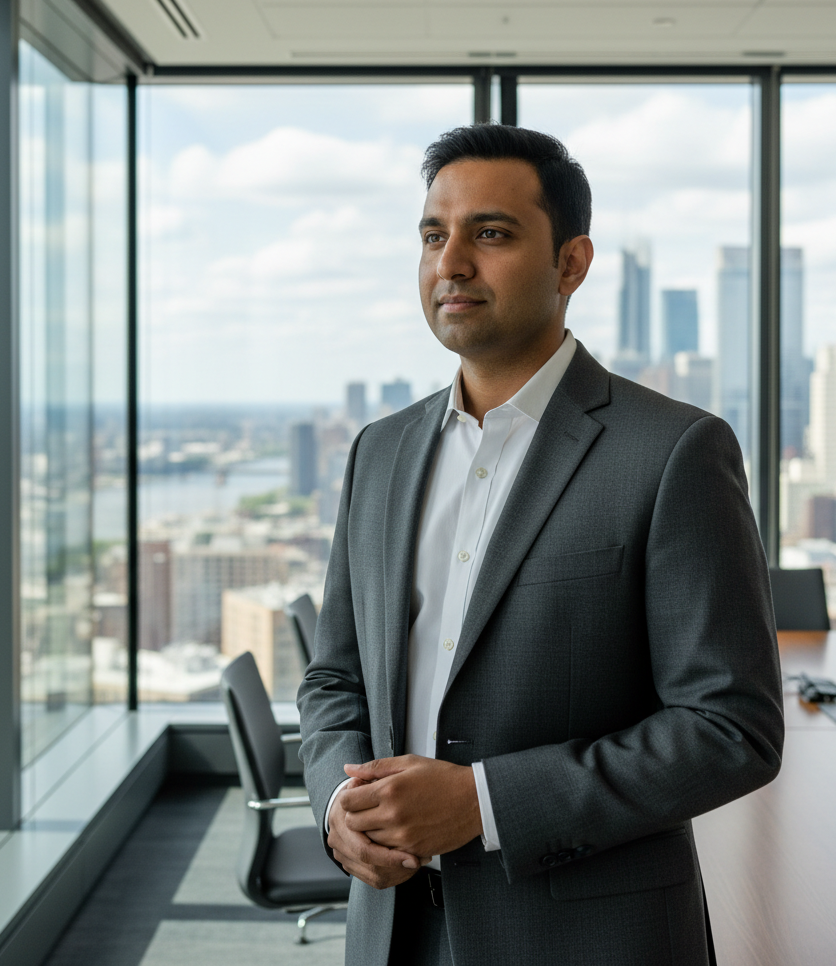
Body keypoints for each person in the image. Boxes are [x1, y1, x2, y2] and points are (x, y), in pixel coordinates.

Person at [297, 123, 784, 966]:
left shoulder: (673, 451)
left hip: (589, 938)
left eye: (490, 234)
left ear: (571, 263)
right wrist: (341, 808)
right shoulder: (380, 451)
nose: (451, 263)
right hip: (392, 928)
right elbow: (334, 677)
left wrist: (483, 804)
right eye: (433, 235)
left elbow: (730, 727)